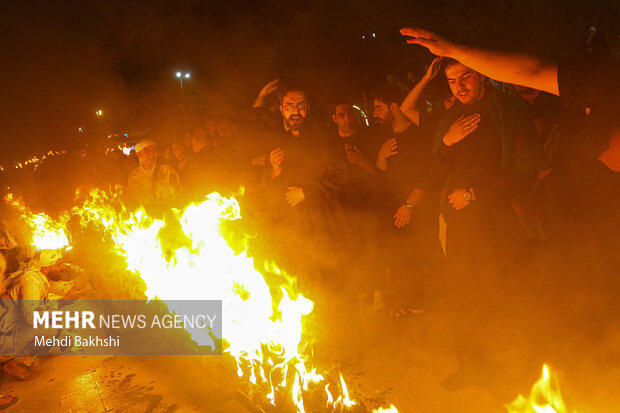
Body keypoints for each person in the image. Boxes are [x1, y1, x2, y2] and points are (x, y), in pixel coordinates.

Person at [372, 85, 444, 317]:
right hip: (398, 208)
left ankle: (441, 306)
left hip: (419, 208)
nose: (375, 113)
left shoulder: (419, 135)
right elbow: (384, 173)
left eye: (378, 107)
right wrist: (380, 157)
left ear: (394, 107)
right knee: (404, 258)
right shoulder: (388, 138)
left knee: (426, 255)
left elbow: (429, 175)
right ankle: (413, 304)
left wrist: (410, 206)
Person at [126, 139, 180, 210]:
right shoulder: (134, 175)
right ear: (139, 154)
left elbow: (177, 193)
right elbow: (134, 197)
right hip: (145, 216)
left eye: (153, 151)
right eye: (147, 151)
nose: (151, 154)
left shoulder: (167, 170)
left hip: (167, 212)